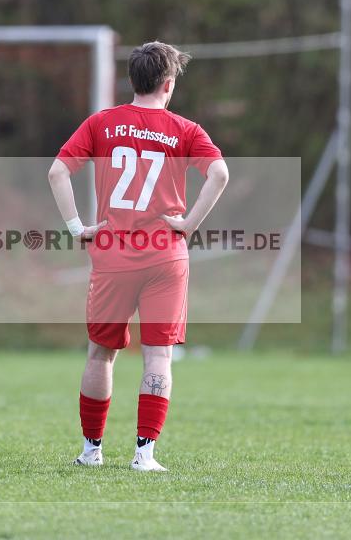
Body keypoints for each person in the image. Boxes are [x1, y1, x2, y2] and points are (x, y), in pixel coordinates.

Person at [48, 41, 229, 471]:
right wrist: (188, 225)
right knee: (158, 355)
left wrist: (78, 229)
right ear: (168, 84)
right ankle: (144, 455)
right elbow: (219, 173)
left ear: (132, 80)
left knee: (100, 353)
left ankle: (91, 451)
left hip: (112, 254)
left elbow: (57, 172)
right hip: (165, 257)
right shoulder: (184, 130)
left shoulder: (102, 123)